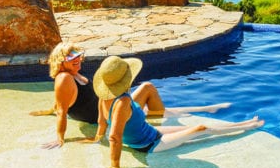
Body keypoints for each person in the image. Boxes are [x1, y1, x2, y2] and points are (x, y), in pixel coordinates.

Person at [84, 55, 265, 168]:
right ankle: (246, 126)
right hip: (150, 145)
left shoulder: (104, 97)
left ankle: (244, 122)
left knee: (193, 130)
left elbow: (102, 122)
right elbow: (115, 136)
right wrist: (115, 165)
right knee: (201, 129)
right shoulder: (122, 102)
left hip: (151, 132)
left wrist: (98, 138)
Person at [36, 42, 232, 149]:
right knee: (146, 91)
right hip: (107, 113)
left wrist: (48, 111)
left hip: (108, 106)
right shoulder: (64, 78)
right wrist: (60, 138)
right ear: (61, 61)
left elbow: (59, 103)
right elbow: (62, 109)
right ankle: (191, 111)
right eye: (72, 58)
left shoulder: (72, 74)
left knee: (147, 88)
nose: (78, 59)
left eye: (78, 55)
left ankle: (197, 109)